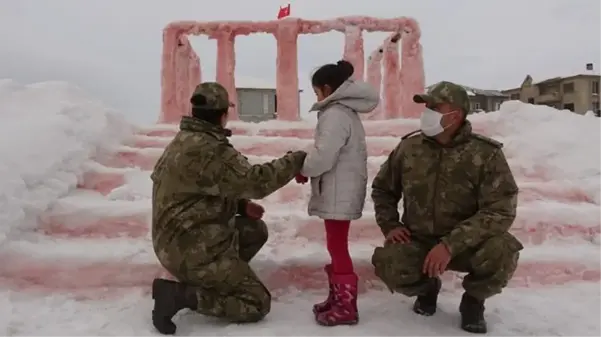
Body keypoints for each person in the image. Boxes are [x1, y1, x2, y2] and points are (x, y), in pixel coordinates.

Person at [150, 82, 307, 335]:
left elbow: (199, 190)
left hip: (177, 240)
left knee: (254, 230)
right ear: (223, 114)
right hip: (189, 248)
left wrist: (240, 206)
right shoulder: (209, 149)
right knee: (256, 302)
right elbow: (256, 181)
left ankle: (211, 279)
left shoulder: (186, 141)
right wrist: (295, 160)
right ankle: (182, 296)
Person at [370, 81, 522, 334]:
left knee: (503, 250)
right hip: (420, 240)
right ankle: (428, 288)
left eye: (435, 107)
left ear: (456, 115)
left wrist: (451, 244)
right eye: (426, 106)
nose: (427, 111)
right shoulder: (409, 148)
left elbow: (500, 210)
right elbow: (383, 189)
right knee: (390, 262)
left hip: (467, 245)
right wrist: (390, 225)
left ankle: (473, 301)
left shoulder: (485, 154)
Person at [295, 60, 379, 326]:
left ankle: (345, 306)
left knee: (338, 247)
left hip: (338, 190)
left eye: (317, 92)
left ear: (327, 89)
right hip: (339, 188)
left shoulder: (335, 114)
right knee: (335, 245)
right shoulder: (343, 112)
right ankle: (337, 298)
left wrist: (304, 168)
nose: (316, 97)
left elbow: (323, 156)